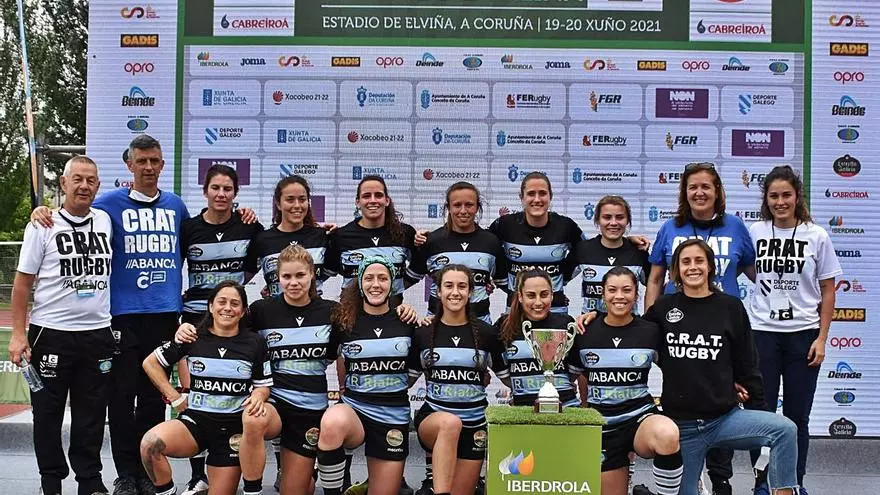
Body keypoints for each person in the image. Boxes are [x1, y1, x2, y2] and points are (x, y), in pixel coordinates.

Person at [644, 239, 798, 495]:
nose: (693, 267)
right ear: (676, 270)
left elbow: (747, 364)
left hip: (724, 419)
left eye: (699, 261)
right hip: (682, 426)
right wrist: (596, 318)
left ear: (710, 267)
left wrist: (755, 404)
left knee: (785, 430)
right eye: (685, 262)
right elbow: (635, 335)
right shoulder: (663, 307)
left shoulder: (730, 307)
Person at [644, 162, 755, 495]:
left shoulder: (736, 227)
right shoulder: (670, 228)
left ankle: (721, 480)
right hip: (678, 325)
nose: (699, 192)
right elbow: (654, 278)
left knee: (724, 400)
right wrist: (650, 322)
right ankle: (686, 475)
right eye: (693, 186)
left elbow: (752, 271)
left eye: (706, 186)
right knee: (686, 397)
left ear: (717, 191)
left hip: (723, 327)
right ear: (685, 192)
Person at [8, 156, 115, 495]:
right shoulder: (42, 225)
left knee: (91, 415)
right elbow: (22, 284)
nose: (84, 186)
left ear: (98, 186)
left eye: (90, 180)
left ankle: (90, 481)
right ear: (63, 183)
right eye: (77, 179)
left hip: (97, 333)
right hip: (51, 334)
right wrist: (18, 334)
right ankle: (51, 482)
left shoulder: (105, 220)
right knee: (47, 414)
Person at [746, 166, 841, 495]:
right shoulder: (755, 231)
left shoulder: (816, 235)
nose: (780, 202)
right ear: (766, 199)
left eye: (786, 195)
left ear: (797, 196)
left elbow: (828, 289)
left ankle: (793, 483)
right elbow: (746, 269)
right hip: (762, 334)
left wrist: (822, 338)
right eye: (774, 196)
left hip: (804, 336)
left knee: (797, 416)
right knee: (761, 416)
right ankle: (763, 483)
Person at [139, 281, 272, 495]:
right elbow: (150, 363)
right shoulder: (192, 336)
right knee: (150, 445)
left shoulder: (255, 343)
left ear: (243, 311)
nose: (227, 308)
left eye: (234, 303)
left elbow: (262, 387)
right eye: (221, 302)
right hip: (196, 424)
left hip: (232, 430)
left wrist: (258, 395)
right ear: (210, 306)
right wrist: (175, 397)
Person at [178, 164, 264, 494]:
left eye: (227, 189)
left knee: (231, 393)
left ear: (235, 193)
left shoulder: (249, 226)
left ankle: (230, 460)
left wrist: (231, 294)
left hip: (231, 319)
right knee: (194, 396)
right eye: (215, 187)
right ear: (205, 191)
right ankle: (197, 475)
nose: (221, 194)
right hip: (195, 318)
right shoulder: (189, 228)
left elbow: (257, 264)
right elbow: (174, 266)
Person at [566, 267, 682, 495]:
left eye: (627, 290)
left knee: (667, 434)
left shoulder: (651, 331)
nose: (619, 296)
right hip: (603, 427)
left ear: (636, 294)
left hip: (639, 418)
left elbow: (679, 370)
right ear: (603, 294)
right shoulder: (585, 332)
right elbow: (568, 378)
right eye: (612, 290)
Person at [315, 256, 418, 495]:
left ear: (392, 284)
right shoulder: (344, 323)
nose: (376, 284)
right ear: (360, 284)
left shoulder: (407, 321)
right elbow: (327, 359)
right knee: (331, 422)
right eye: (369, 278)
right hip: (356, 410)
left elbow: (416, 369)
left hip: (393, 416)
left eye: (383, 278)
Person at [408, 265, 507, 495]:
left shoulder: (487, 334)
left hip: (474, 425)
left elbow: (510, 379)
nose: (455, 292)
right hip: (433, 419)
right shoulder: (424, 332)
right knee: (449, 423)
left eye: (462, 286)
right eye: (448, 286)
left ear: (471, 292)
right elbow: (405, 381)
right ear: (438, 291)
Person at [409, 181, 507, 323]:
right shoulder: (431, 241)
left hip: (480, 325)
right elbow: (406, 280)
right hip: (438, 324)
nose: (463, 211)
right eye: (457, 205)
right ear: (448, 207)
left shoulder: (491, 242)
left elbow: (505, 283)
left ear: (477, 207)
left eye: (469, 205)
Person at [489, 173, 584, 314]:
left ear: (550, 196)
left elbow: (586, 251)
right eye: (531, 194)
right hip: (516, 311)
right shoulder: (505, 225)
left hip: (555, 311)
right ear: (521, 197)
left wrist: (563, 278)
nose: (537, 199)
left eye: (543, 193)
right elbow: (484, 247)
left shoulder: (565, 226)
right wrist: (500, 281)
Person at [325, 175, 420, 304]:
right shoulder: (341, 236)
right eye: (366, 196)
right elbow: (325, 271)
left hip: (392, 311)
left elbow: (419, 267)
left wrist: (397, 287)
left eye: (378, 195)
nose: (373, 200)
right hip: (351, 311)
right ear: (357, 202)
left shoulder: (405, 233)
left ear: (387, 201)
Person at [494, 270, 579, 409]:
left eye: (544, 295)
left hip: (565, 406)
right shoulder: (503, 326)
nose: (538, 302)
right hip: (522, 409)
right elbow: (500, 369)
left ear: (552, 295)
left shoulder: (566, 323)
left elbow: (575, 368)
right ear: (520, 296)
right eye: (531, 295)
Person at [252, 175, 330, 298]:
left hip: (314, 308)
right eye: (290, 200)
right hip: (277, 308)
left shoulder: (321, 236)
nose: (297, 205)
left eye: (302, 199)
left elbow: (331, 271)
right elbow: (243, 275)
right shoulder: (263, 239)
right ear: (278, 204)